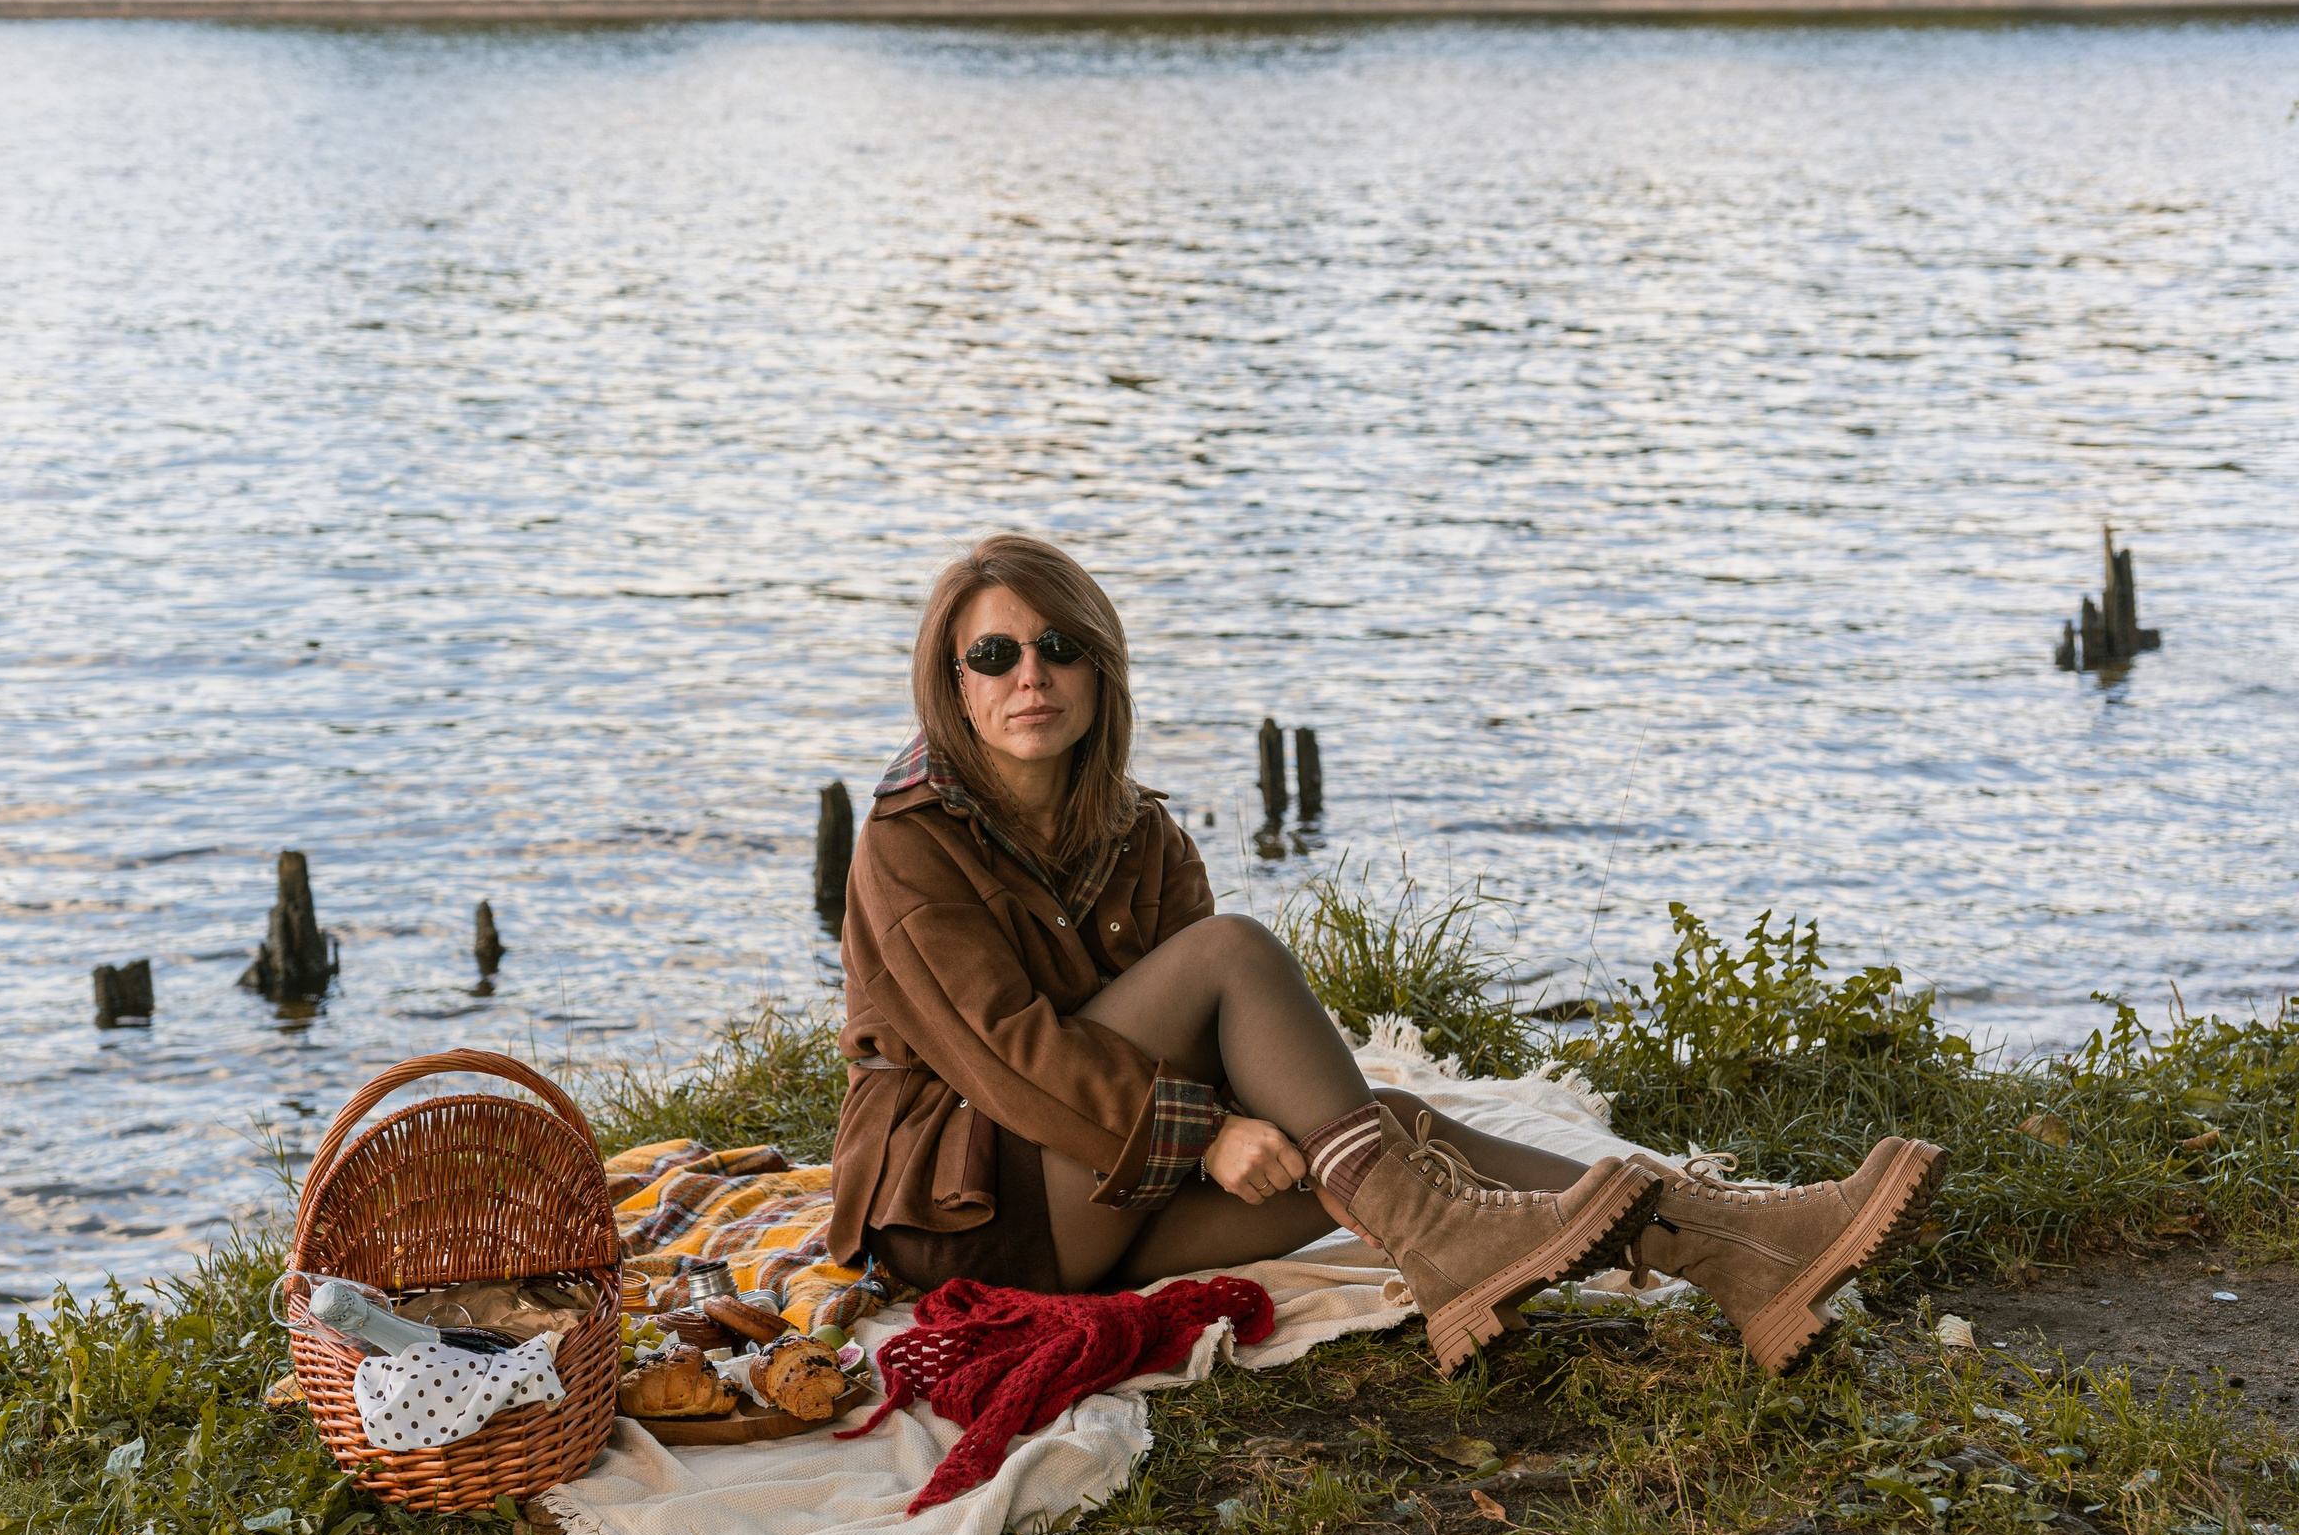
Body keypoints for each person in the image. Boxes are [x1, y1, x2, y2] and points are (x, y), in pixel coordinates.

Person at [826, 534, 1946, 1378]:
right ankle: (1450, 1240)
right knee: (1231, 956)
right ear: (955, 680)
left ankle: (1733, 1250)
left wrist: (1246, 1123)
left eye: (1058, 646)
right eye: (995, 652)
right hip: (974, 1216)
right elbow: (1005, 1059)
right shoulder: (908, 838)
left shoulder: (1138, 831)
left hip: (1110, 1196)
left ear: (1099, 668)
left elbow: (1220, 1055)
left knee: (1387, 1135)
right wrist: (1208, 1134)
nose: (1031, 674)